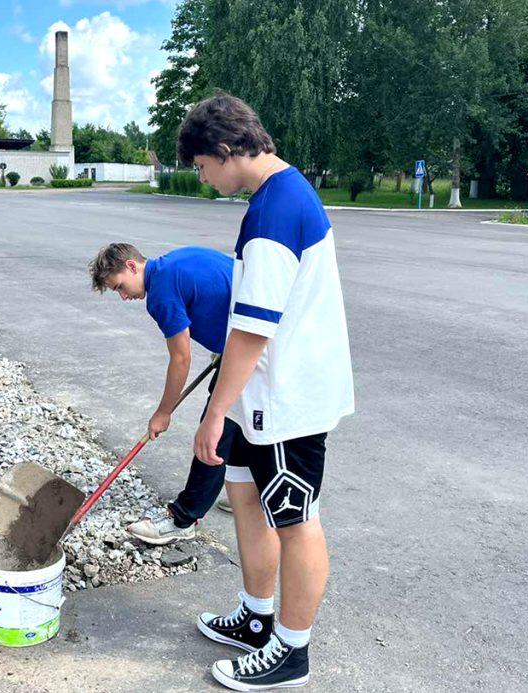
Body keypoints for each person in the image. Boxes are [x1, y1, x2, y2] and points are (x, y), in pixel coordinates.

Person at [177, 94, 354, 690]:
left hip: (287, 399)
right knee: (246, 497)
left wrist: (214, 413)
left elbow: (254, 329)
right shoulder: (278, 196)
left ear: (227, 151)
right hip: (263, 396)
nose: (203, 179)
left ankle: (291, 651)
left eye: (203, 166)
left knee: (296, 519)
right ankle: (256, 620)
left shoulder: (276, 210)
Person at [88, 243, 235, 545]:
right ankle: (254, 489)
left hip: (257, 349)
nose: (125, 296)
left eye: (120, 287)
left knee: (215, 433)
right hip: (261, 338)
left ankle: (183, 520)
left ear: (131, 266)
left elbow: (181, 358)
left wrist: (163, 412)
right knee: (245, 422)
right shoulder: (175, 260)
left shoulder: (161, 295)